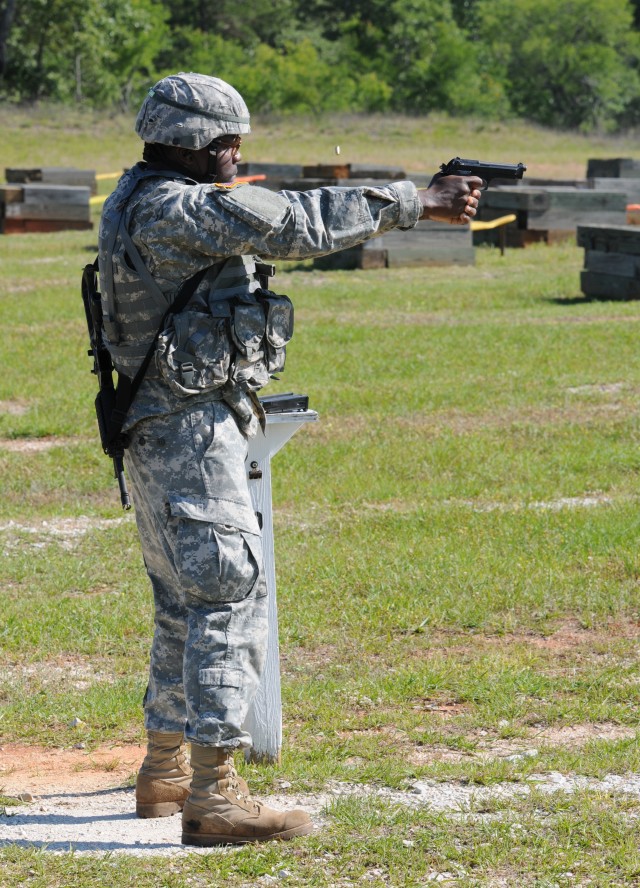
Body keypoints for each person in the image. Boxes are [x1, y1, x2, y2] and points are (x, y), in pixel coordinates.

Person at [97, 71, 482, 847]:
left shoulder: (143, 195)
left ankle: (166, 769)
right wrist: (418, 202)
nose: (235, 153)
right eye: (222, 141)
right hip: (186, 428)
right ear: (183, 142)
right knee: (227, 598)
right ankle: (215, 794)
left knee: (184, 603)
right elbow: (292, 224)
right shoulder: (172, 208)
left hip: (163, 424)